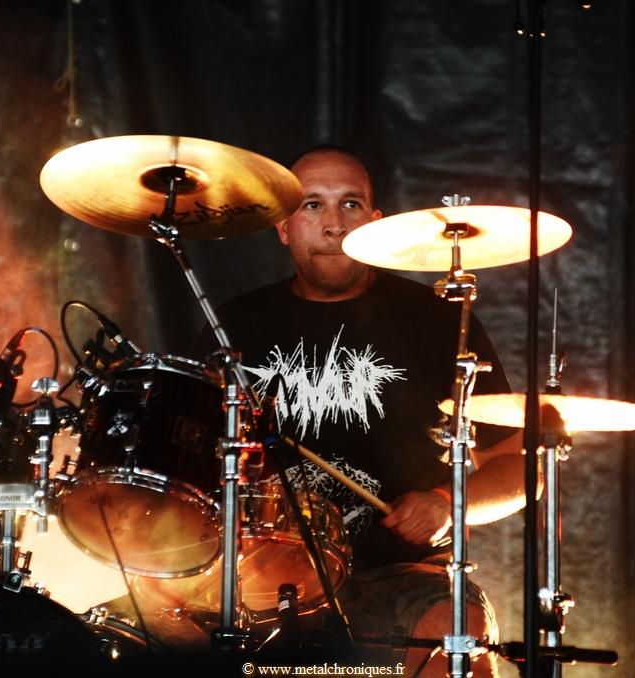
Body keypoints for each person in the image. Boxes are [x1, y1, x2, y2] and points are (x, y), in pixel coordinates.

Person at [191, 145, 527, 676]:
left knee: (453, 626)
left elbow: (519, 465)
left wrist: (447, 504)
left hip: (399, 574)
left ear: (375, 220)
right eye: (312, 205)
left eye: (350, 204)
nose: (333, 225)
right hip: (255, 572)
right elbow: (185, 464)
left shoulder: (437, 321)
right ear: (283, 227)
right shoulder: (233, 326)